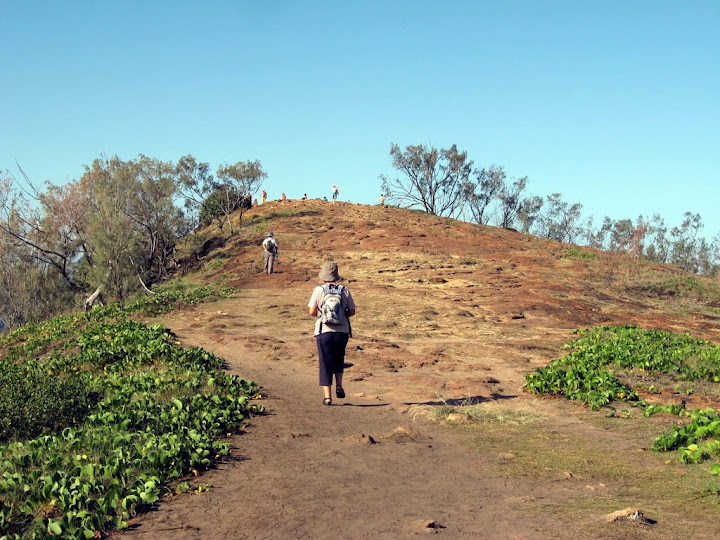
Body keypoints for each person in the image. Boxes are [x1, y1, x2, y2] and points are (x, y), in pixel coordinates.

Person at [308, 262, 356, 406]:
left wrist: (323, 315)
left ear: (323, 276)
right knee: (339, 358)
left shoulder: (319, 290)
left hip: (324, 331)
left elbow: (311, 311)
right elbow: (352, 311)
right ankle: (339, 386)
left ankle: (328, 397)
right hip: (342, 331)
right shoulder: (344, 290)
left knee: (325, 362)